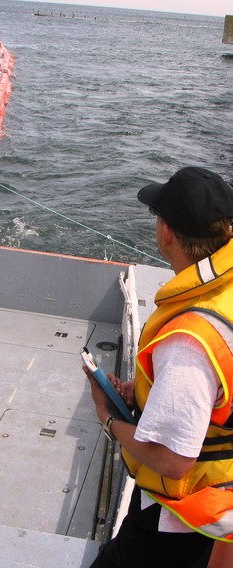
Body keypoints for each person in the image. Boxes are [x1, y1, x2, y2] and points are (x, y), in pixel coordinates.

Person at [84, 166, 233, 568]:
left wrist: (108, 419)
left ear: (166, 234)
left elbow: (173, 460)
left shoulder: (189, 340)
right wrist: (150, 391)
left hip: (182, 517)